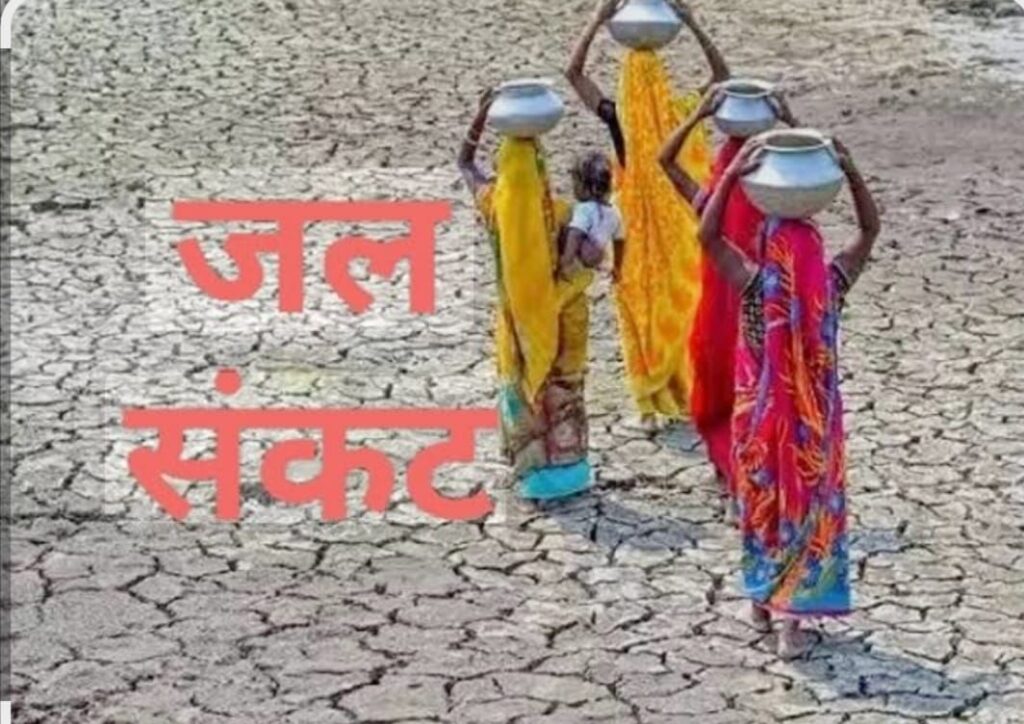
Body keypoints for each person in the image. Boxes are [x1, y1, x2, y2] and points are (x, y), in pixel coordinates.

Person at [697, 137, 880, 658]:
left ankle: (762, 603)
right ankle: (790, 627)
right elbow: (870, 230)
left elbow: (706, 234)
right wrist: (849, 169)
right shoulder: (831, 286)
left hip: (759, 426)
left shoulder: (755, 285)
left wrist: (733, 173)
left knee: (764, 508)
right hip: (811, 428)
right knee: (805, 512)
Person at [566, 0, 729, 430]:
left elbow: (573, 74)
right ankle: (684, 391)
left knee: (640, 307)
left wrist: (597, 19)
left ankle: (651, 401)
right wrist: (692, 22)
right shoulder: (680, 113)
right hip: (677, 225)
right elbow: (722, 78)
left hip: (632, 229)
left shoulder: (617, 118)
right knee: (683, 303)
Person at [659, 84, 798, 511]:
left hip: (720, 319)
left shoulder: (710, 209)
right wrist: (790, 123)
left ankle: (732, 476)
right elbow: (807, 179)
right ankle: (763, 481)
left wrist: (699, 115)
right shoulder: (774, 211)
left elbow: (666, 160)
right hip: (764, 315)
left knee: (723, 397)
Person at [457, 88, 595, 501]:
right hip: (565, 319)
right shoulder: (562, 213)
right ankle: (571, 472)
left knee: (525, 392)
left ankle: (534, 478)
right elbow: (595, 255)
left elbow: (465, 162)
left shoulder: (494, 206)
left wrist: (481, 115)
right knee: (564, 393)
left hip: (515, 325)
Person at [560, 151, 624, 278]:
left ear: (587, 188)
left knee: (565, 224)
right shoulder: (615, 211)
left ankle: (569, 262)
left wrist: (567, 262)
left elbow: (575, 234)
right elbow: (619, 241)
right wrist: (617, 267)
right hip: (599, 256)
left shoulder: (584, 208)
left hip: (585, 253)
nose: (574, 188)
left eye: (576, 184)